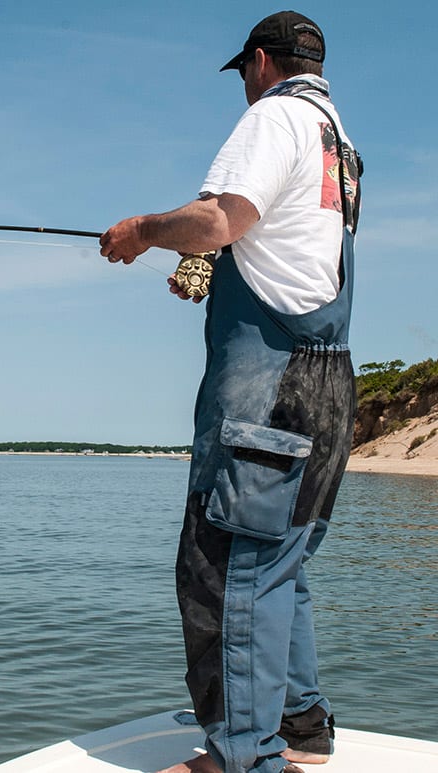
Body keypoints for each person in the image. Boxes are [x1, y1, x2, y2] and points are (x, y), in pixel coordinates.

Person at [98, 11, 362, 773]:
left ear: (258, 62)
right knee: (280, 559)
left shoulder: (273, 117)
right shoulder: (338, 145)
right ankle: (299, 721)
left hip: (267, 381)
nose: (244, 89)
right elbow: (285, 246)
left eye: (244, 74)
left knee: (232, 564)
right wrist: (213, 264)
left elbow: (224, 216)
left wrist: (143, 231)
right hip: (330, 379)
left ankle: (245, 754)